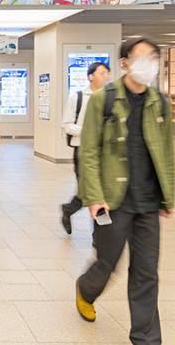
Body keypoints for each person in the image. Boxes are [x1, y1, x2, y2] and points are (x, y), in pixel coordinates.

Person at [75, 38, 174, 343]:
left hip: (147, 202)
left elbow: (167, 151)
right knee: (108, 263)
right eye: (142, 56)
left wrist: (168, 195)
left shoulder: (159, 102)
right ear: (124, 63)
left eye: (154, 57)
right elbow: (89, 152)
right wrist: (93, 197)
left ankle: (146, 339)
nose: (149, 62)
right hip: (113, 200)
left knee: (146, 272)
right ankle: (85, 289)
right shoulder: (103, 100)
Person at [60, 62, 111, 234]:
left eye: (108, 73)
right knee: (89, 190)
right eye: (102, 73)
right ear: (91, 76)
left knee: (102, 191)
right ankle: (71, 212)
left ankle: (98, 232)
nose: (106, 76)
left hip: (106, 152)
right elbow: (66, 125)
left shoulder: (112, 98)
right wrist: (90, 131)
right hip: (83, 150)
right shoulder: (79, 98)